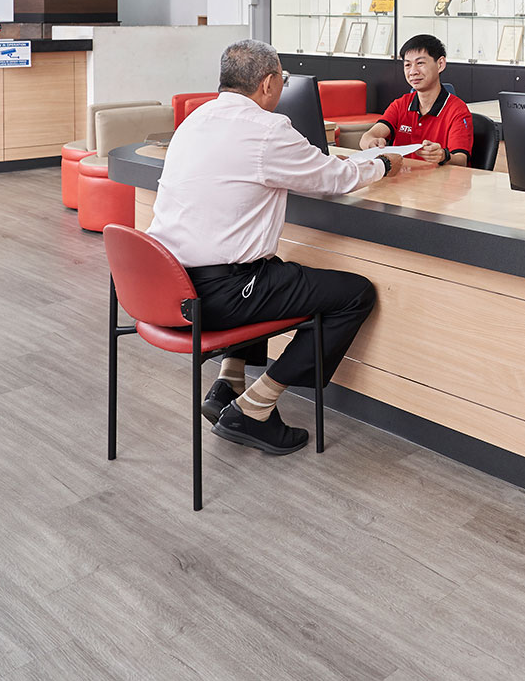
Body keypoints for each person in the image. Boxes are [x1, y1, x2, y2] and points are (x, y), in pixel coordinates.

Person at [147, 39, 402, 456]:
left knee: (267, 266)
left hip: (167, 287)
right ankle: (255, 407)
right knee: (354, 295)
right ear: (268, 83)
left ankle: (229, 382)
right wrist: (384, 165)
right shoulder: (266, 130)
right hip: (219, 294)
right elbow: (335, 180)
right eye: (282, 78)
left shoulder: (194, 119)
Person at [358, 34, 472, 166]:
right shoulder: (400, 104)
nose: (413, 72)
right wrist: (371, 143)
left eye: (420, 63)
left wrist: (443, 156)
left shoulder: (458, 111)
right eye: (407, 65)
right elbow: (366, 138)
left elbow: (461, 160)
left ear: (440, 64)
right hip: (400, 176)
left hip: (438, 178)